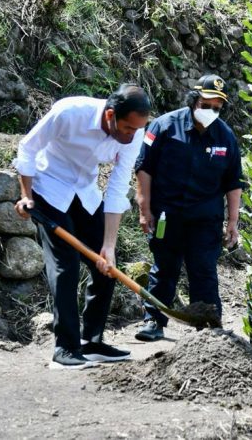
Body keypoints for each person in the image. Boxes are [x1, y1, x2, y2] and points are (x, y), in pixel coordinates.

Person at [13, 85, 151, 368]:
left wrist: (109, 246)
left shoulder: (133, 136)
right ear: (111, 114)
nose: (129, 136)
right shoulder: (71, 112)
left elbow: (116, 189)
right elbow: (28, 147)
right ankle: (65, 349)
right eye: (126, 128)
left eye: (136, 130)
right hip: (49, 188)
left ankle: (92, 341)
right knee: (66, 267)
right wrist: (26, 195)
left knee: (107, 266)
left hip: (85, 193)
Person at [133, 75, 244, 342]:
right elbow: (144, 169)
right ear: (194, 100)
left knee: (204, 270)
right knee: (164, 269)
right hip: (166, 215)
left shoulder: (225, 136)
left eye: (217, 107)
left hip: (205, 219)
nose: (211, 112)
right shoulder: (163, 126)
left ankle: (207, 327)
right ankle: (153, 321)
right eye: (207, 105)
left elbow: (234, 182)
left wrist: (233, 221)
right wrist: (144, 208)